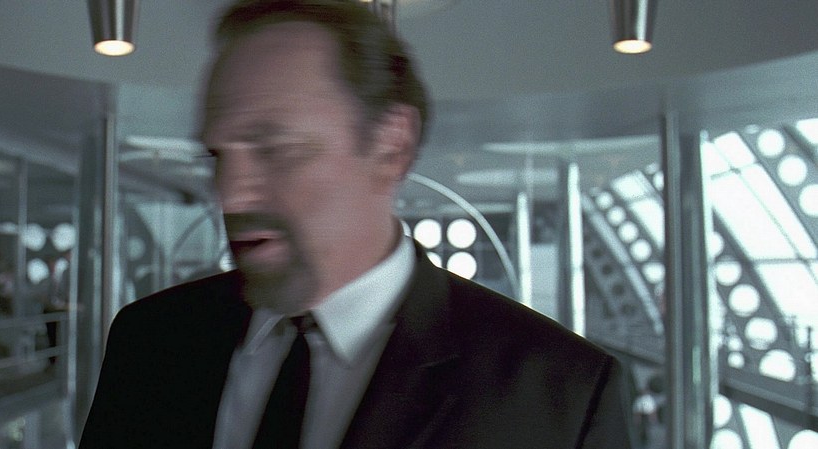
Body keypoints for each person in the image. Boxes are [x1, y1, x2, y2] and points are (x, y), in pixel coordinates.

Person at [79, 1, 632, 448]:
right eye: (218, 154)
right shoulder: (150, 342)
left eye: (275, 148)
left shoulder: (556, 394)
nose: (231, 192)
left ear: (391, 146)